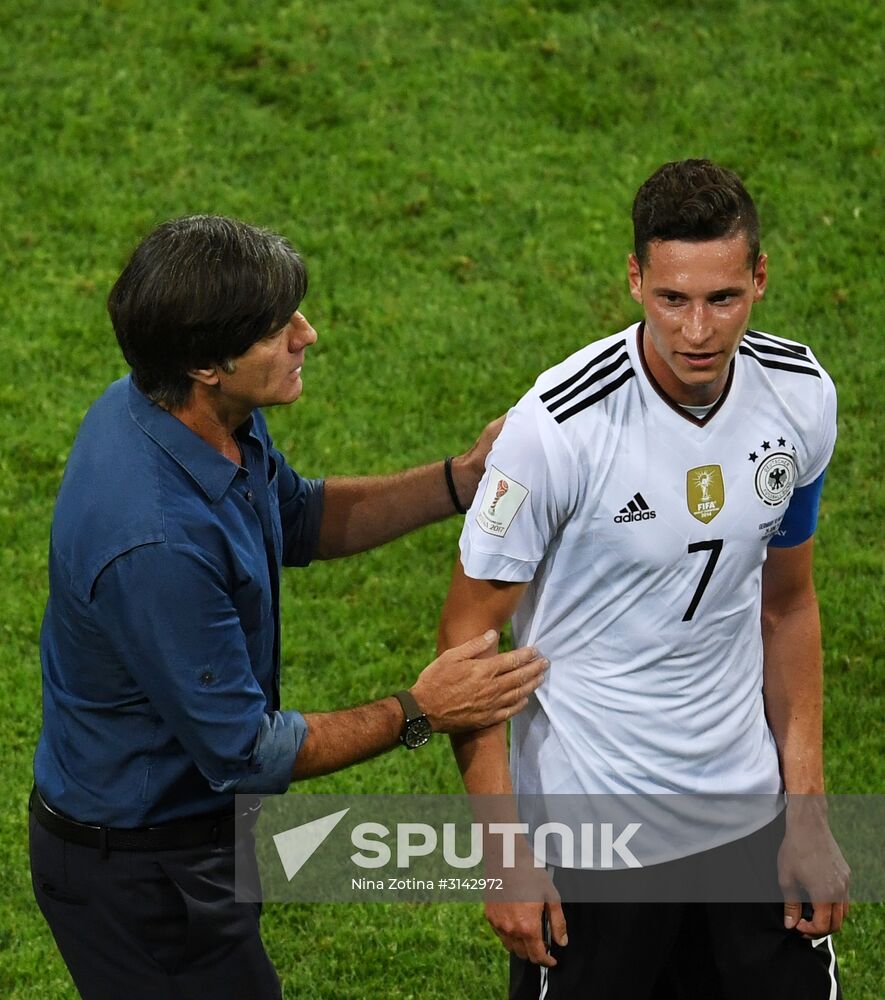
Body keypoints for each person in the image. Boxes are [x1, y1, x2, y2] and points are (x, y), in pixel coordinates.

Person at [29, 215, 549, 1000]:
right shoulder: (154, 543)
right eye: (279, 329)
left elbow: (296, 515)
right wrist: (420, 710)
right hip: (141, 874)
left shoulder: (189, 412)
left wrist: (458, 480)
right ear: (208, 361)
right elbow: (244, 750)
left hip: (182, 839)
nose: (307, 334)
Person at [439, 159, 849, 998]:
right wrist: (503, 856)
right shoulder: (555, 430)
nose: (697, 330)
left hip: (746, 816)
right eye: (672, 299)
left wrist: (805, 812)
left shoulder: (798, 398)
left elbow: (787, 604)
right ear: (634, 279)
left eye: (722, 299)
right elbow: (464, 643)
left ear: (759, 278)